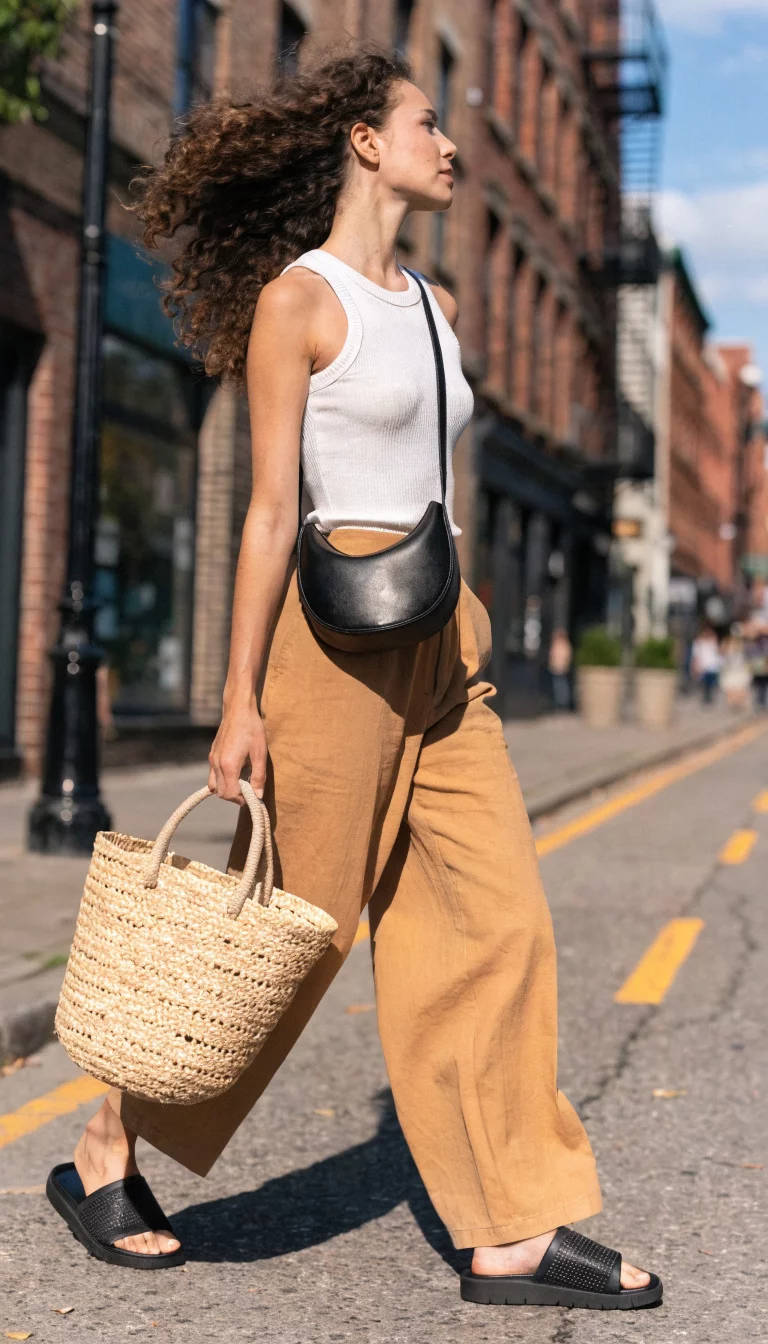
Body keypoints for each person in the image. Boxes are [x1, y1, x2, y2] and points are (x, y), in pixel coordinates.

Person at [47, 46, 659, 1309]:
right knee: (285, 948)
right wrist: (237, 698)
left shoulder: (431, 306)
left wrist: (470, 618)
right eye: (429, 122)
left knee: (497, 924)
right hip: (326, 659)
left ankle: (511, 1229)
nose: (450, 143)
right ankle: (110, 1138)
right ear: (366, 144)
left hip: (441, 647)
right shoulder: (300, 300)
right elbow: (272, 511)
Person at [719, 627, 751, 712]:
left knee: (740, 687)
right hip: (731, 669)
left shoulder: (744, 644)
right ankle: (733, 705)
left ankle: (739, 705)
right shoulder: (727, 643)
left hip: (740, 668)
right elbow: (722, 653)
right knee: (731, 687)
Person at [690, 624, 722, 705]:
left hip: (713, 666)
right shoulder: (698, 642)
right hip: (704, 666)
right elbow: (696, 655)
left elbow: (717, 653)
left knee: (712, 683)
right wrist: (695, 666)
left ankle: (709, 697)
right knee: (705, 684)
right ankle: (706, 698)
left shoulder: (714, 641)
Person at [548, 626, 573, 710]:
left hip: (561, 668)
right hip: (556, 668)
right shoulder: (557, 644)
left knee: (561, 686)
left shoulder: (563, 645)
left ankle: (563, 703)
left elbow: (566, 657)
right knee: (557, 685)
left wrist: (564, 665)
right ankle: (559, 702)